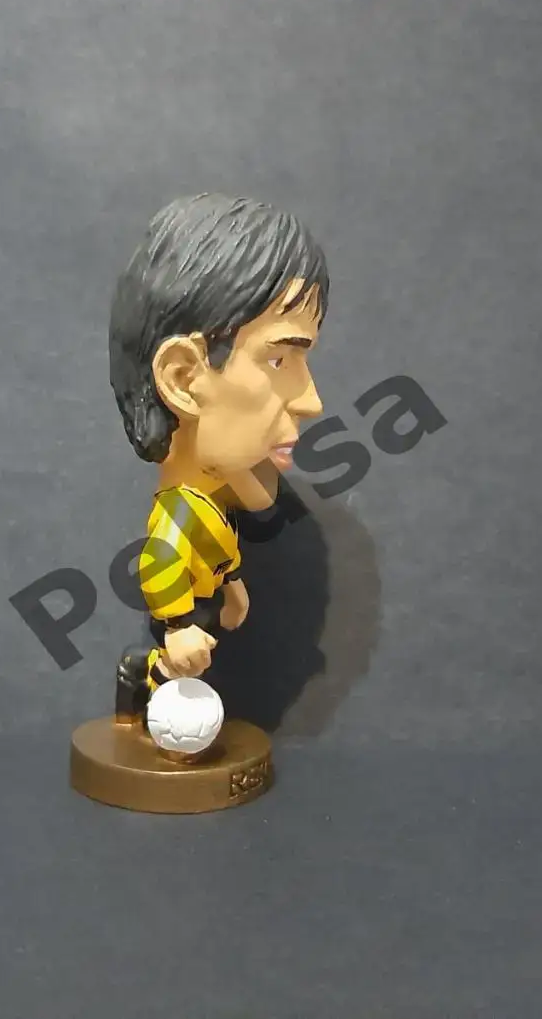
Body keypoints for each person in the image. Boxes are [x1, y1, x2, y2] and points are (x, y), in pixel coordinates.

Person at [107, 193, 330, 725]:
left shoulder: (215, 498)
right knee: (175, 669)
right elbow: (159, 563)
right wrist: (177, 625)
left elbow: (221, 543)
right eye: (278, 359)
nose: (311, 401)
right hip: (187, 611)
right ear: (184, 379)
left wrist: (233, 588)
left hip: (206, 601)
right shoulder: (179, 511)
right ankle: (141, 681)